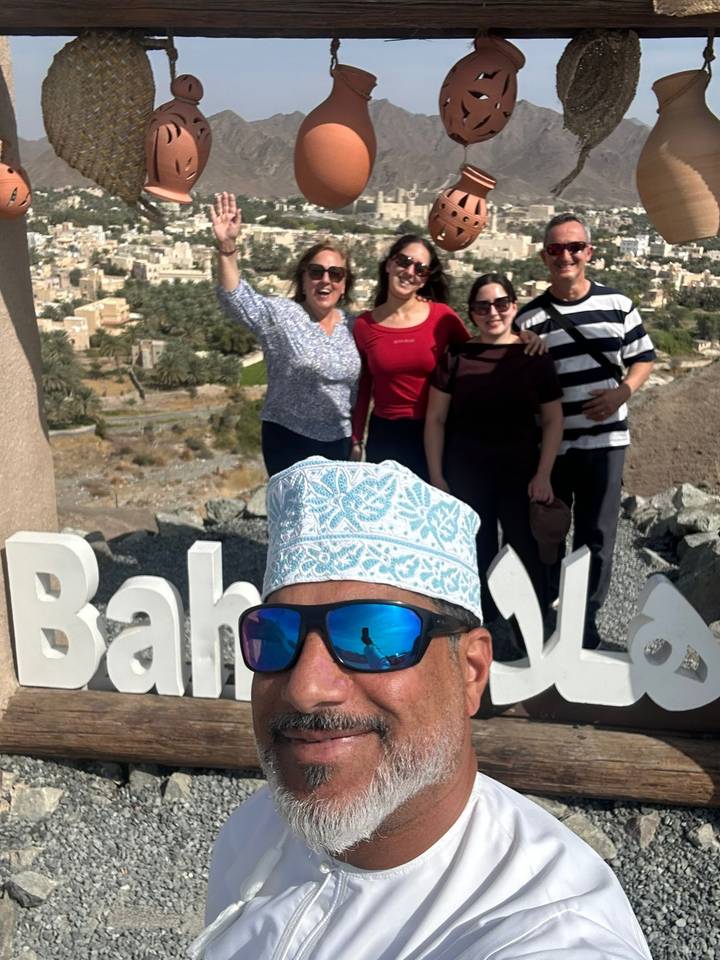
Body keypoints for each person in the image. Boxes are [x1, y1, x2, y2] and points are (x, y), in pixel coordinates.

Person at [191, 457, 652, 960]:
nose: (305, 688)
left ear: (471, 671)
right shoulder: (255, 829)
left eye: (374, 637)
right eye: (275, 635)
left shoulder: (545, 929)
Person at [516, 213, 656, 648]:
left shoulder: (618, 305)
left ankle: (586, 623)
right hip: (552, 447)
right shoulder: (529, 319)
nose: (566, 256)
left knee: (598, 537)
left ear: (589, 252)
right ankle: (547, 616)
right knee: (548, 533)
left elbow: (643, 358)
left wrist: (622, 394)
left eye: (574, 247)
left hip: (605, 442)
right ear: (544, 256)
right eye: (556, 249)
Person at [424, 273, 564, 631]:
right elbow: (436, 419)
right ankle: (478, 630)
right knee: (474, 552)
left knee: (525, 551)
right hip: (466, 473)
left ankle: (528, 631)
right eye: (482, 306)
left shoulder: (535, 356)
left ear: (514, 307)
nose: (493, 312)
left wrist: (544, 474)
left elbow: (552, 420)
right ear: (471, 313)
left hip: (520, 474)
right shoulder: (457, 355)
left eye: (501, 303)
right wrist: (437, 476)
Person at [212, 191, 361, 477]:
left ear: (345, 285)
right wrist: (227, 247)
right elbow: (236, 298)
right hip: (288, 438)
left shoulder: (354, 326)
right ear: (303, 279)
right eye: (316, 272)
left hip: (339, 442)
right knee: (293, 519)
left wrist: (356, 438)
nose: (325, 280)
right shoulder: (282, 315)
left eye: (336, 274)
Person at [350, 235, 469, 479]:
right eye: (403, 261)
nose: (409, 271)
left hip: (434, 433)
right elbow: (363, 386)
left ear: (425, 279)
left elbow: (476, 355)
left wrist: (521, 338)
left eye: (420, 268)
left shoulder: (441, 317)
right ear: (389, 265)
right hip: (385, 434)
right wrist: (356, 439)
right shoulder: (364, 325)